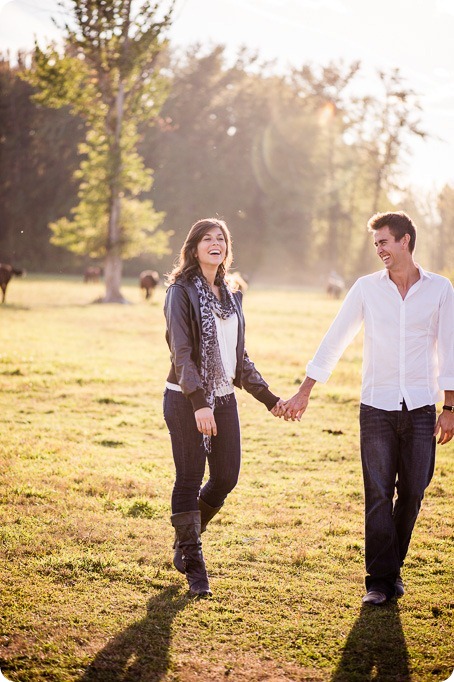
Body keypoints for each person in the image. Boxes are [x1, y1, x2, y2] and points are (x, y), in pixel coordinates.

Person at [282, 211, 454, 605]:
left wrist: (450, 407)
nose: (379, 250)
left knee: (412, 492)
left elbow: (450, 347)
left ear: (405, 241)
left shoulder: (440, 289)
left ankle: (390, 569)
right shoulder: (365, 288)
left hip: (422, 408)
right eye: (376, 244)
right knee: (377, 494)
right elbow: (336, 338)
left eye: (384, 242)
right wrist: (305, 390)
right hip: (376, 407)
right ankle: (380, 582)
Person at [163, 218, 283, 597]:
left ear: (227, 249)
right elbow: (181, 352)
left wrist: (270, 399)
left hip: (224, 398)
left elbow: (238, 359)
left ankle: (186, 540)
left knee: (226, 476)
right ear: (194, 247)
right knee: (189, 476)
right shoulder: (180, 292)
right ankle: (195, 568)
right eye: (207, 239)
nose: (215, 244)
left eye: (221, 239)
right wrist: (198, 403)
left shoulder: (232, 294)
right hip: (187, 399)